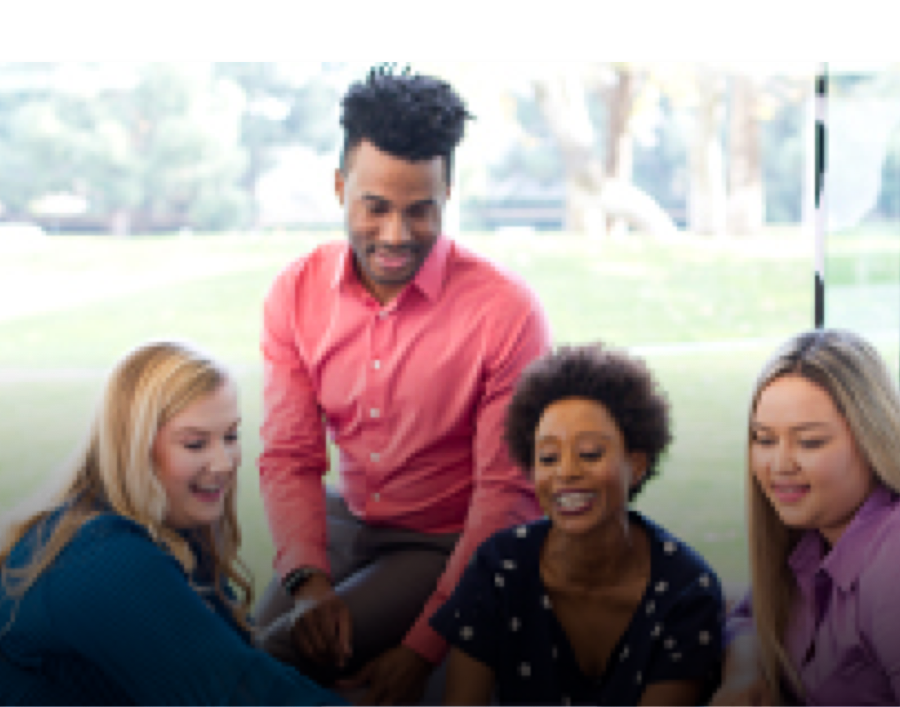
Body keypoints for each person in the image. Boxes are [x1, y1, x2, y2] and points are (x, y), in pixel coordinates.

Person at [252, 64, 552, 705]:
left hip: (444, 540)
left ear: (450, 192)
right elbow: (290, 455)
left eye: (422, 211)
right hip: (348, 520)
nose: (395, 236)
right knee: (257, 644)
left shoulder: (506, 312)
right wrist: (309, 581)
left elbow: (505, 499)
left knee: (274, 659)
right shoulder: (294, 294)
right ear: (339, 188)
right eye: (375, 207)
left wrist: (422, 649)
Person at [0, 341, 341, 706]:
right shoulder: (104, 558)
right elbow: (241, 694)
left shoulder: (168, 524)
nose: (225, 462)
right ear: (135, 448)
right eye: (195, 444)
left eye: (230, 436)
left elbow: (238, 664)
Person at [431, 343, 724, 705]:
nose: (566, 472)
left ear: (636, 465)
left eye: (589, 453)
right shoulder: (499, 567)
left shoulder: (686, 590)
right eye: (548, 457)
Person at [712, 328, 900, 706]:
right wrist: (746, 668)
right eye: (764, 440)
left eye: (810, 441)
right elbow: (749, 617)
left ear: (871, 440)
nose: (779, 465)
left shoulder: (892, 558)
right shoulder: (811, 538)